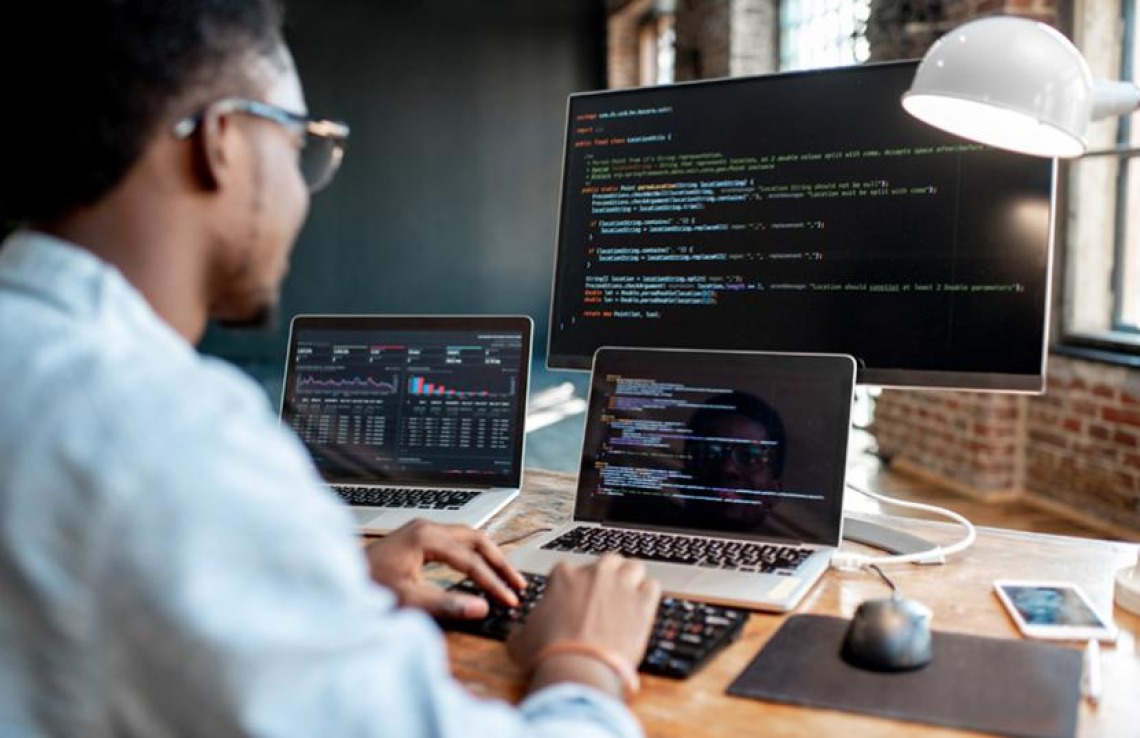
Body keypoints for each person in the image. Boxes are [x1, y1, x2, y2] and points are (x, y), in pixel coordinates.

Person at [0, 2, 660, 736]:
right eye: (301, 147)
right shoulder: (171, 438)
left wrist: (324, 590)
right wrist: (585, 662)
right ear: (221, 142)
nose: (303, 191)